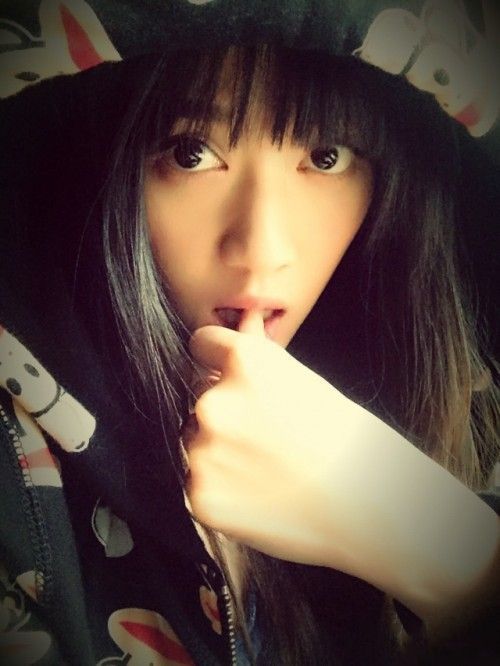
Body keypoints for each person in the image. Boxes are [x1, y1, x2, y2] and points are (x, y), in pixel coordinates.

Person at [0, 2, 498, 664]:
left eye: (326, 156)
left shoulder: (455, 397)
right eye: (191, 153)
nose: (262, 251)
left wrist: (431, 539)